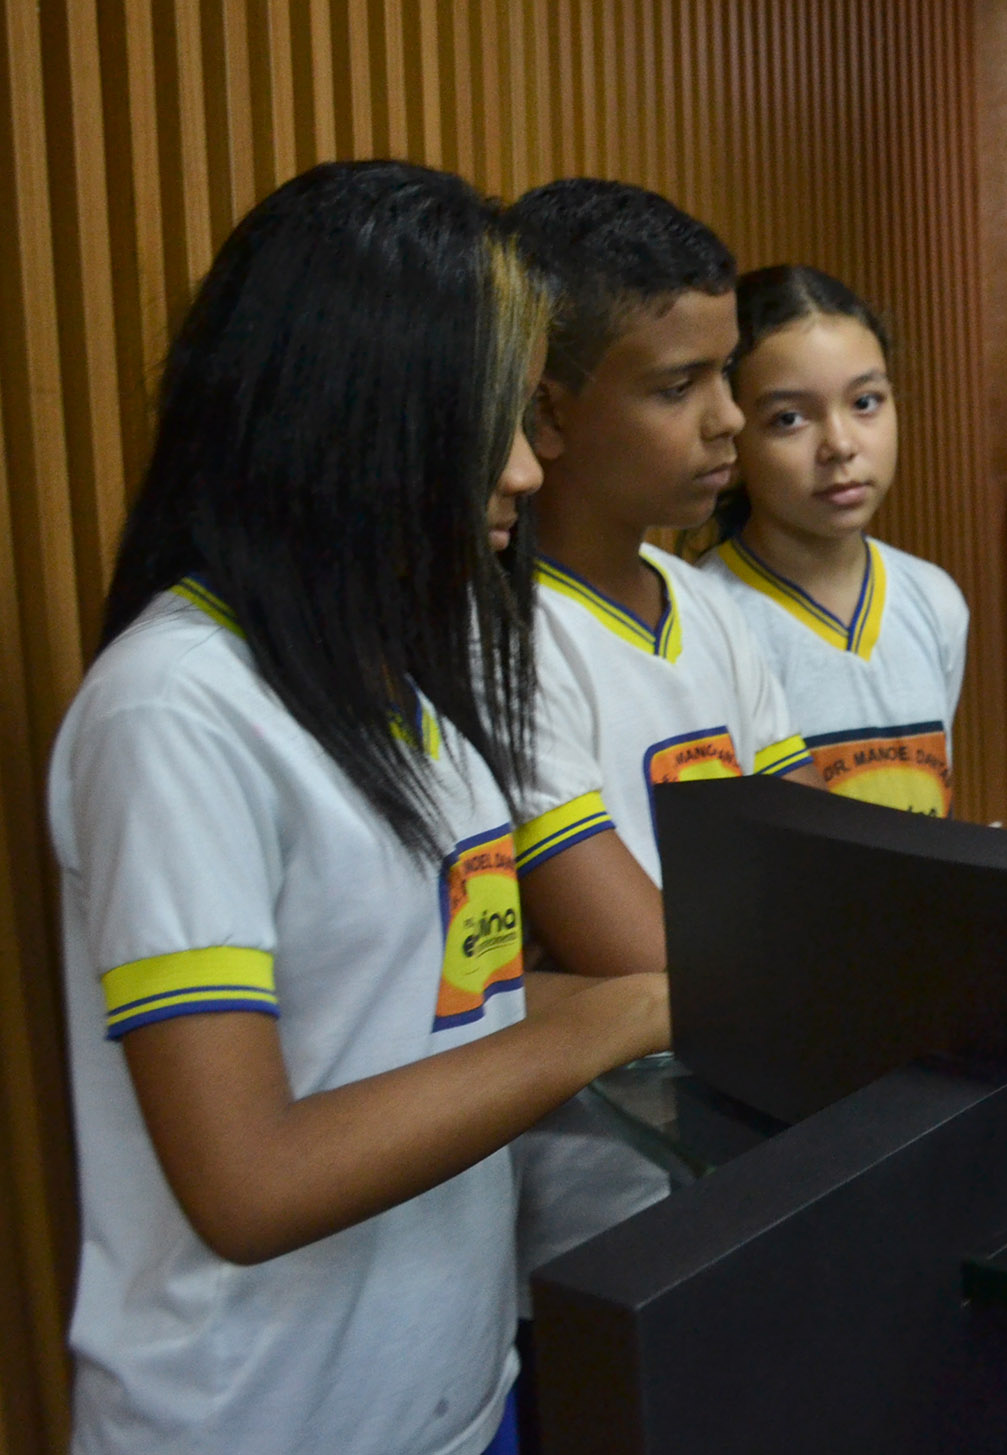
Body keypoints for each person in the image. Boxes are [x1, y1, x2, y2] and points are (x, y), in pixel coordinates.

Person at [49, 160, 669, 1455]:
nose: (525, 469)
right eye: (490, 422)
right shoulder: (177, 709)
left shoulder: (420, 688)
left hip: (458, 1400)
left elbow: (430, 1017)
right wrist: (613, 1019)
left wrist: (674, 988)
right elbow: (249, 1178)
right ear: (362, 420)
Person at [502, 181, 824, 1291]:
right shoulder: (502, 636)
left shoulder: (711, 609)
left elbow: (823, 873)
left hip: (742, 1161)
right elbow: (636, 954)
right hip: (592, 1217)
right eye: (678, 387)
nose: (728, 417)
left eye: (726, 374)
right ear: (548, 415)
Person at [697, 265, 969, 816]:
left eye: (865, 402)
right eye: (789, 419)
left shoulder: (934, 601)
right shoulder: (706, 618)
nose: (840, 445)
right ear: (732, 434)